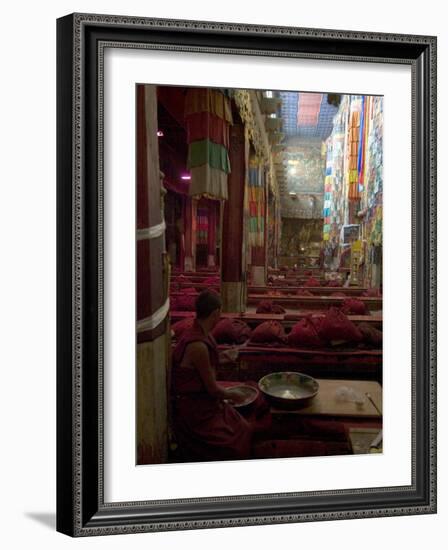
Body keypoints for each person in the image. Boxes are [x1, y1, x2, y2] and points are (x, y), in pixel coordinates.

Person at [170, 290, 253, 461]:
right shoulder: (197, 345)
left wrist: (224, 356)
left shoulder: (202, 332)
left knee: (243, 426)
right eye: (220, 313)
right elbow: (213, 389)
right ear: (216, 313)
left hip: (205, 401)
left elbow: (203, 365)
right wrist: (234, 394)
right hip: (196, 411)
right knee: (236, 441)